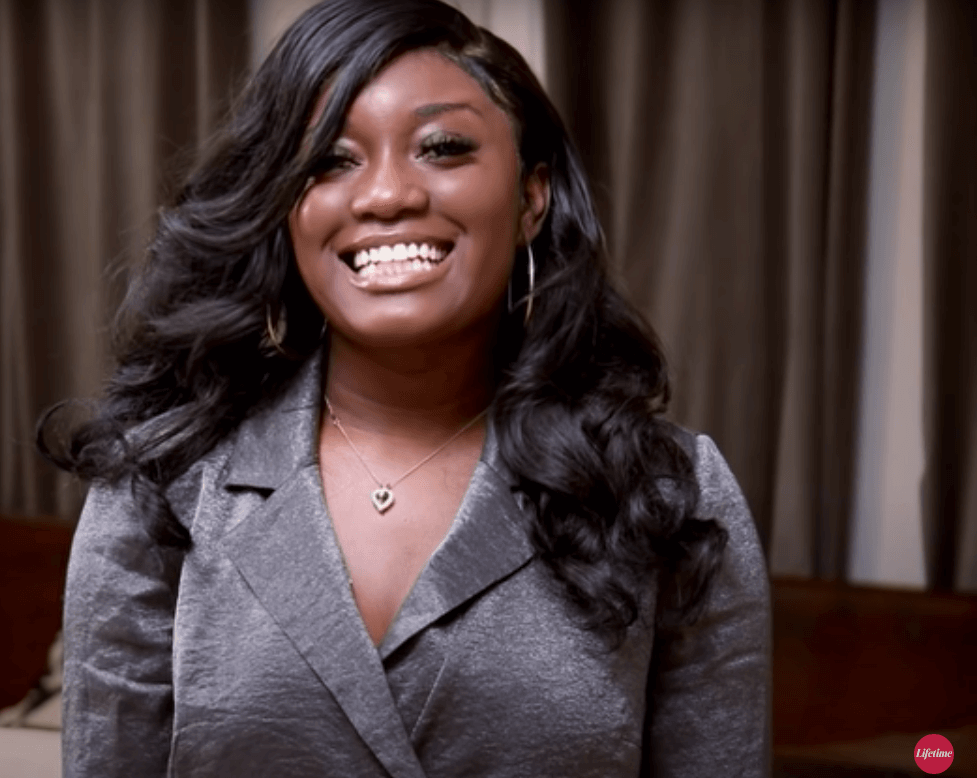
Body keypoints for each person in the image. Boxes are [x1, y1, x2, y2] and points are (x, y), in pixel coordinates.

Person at [39, 0, 771, 775]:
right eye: (329, 160)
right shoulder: (160, 487)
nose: (385, 195)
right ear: (285, 207)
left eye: (442, 148)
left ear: (531, 198)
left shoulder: (669, 495)